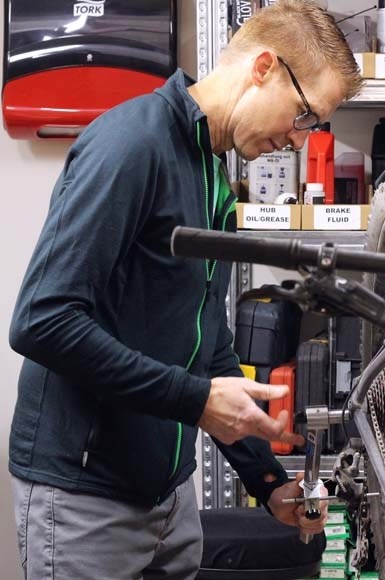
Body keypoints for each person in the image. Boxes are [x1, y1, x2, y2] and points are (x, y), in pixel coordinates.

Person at [7, 1, 362, 578]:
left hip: (170, 497)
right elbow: (42, 321)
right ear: (264, 67)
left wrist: (266, 479)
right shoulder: (132, 146)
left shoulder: (209, 169)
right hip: (86, 498)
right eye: (303, 116)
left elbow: (207, 340)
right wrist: (196, 402)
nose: (299, 141)